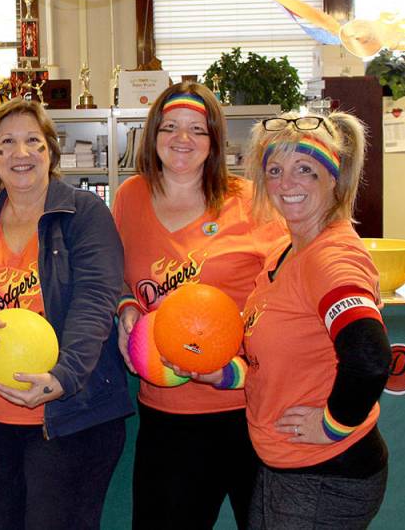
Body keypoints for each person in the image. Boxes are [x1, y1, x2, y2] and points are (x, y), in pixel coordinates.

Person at [183, 111, 391, 529]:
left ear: (334, 178)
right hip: (284, 465)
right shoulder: (285, 254)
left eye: (305, 170)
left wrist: (334, 424)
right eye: (275, 170)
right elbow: (277, 358)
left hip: (324, 470)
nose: (286, 183)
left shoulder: (331, 258)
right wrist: (225, 376)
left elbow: (369, 356)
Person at [0, 98, 132, 530]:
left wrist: (62, 379)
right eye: (6, 143)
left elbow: (96, 303)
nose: (20, 153)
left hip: (71, 416)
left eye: (33, 141)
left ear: (51, 150)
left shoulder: (84, 213)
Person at [113, 83, 280, 528]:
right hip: (166, 414)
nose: (182, 139)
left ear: (215, 141)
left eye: (197, 130)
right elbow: (115, 277)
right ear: (153, 135)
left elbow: (289, 287)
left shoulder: (250, 199)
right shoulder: (130, 196)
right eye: (169, 127)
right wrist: (127, 306)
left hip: (248, 410)